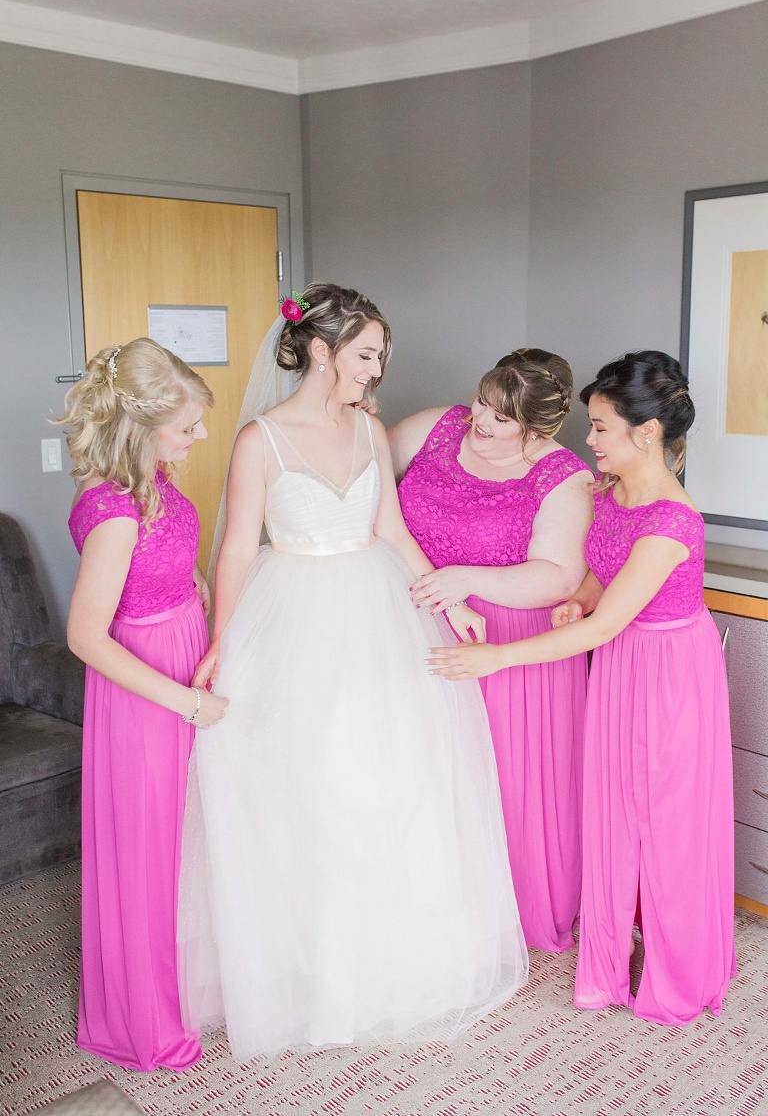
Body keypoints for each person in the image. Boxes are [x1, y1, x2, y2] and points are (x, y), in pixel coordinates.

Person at [177, 284, 528, 1063]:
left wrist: (449, 598)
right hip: (291, 614)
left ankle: (395, 965)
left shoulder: (370, 431)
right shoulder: (259, 441)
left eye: (380, 357)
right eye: (367, 355)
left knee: (390, 780)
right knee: (310, 790)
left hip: (376, 614)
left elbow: (392, 531)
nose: (376, 371)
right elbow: (236, 549)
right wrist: (218, 640)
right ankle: (313, 976)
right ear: (323, 351)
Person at [428, 350, 736, 1026]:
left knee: (666, 821)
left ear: (645, 433)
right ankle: (602, 967)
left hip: (668, 675)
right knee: (611, 811)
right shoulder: (615, 495)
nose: (588, 439)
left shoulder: (673, 522)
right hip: (624, 663)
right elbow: (603, 580)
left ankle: (677, 974)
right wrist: (581, 597)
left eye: (599, 427)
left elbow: (607, 625)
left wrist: (499, 659)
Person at [60, 338, 228, 1071]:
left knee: (185, 839)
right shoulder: (115, 511)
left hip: (178, 655)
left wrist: (197, 589)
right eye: (187, 425)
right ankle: (143, 1017)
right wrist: (183, 703)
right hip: (146, 689)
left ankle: (183, 981)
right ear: (142, 425)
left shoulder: (152, 480)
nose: (198, 437)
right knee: (151, 849)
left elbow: (165, 557)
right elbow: (86, 636)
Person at [391, 350, 593, 952]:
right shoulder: (436, 425)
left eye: (503, 418)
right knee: (418, 770)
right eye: (483, 399)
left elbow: (559, 575)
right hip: (414, 616)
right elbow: (365, 475)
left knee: (499, 782)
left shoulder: (564, 476)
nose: (481, 419)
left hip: (508, 642)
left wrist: (467, 579)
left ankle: (498, 917)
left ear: (539, 428)